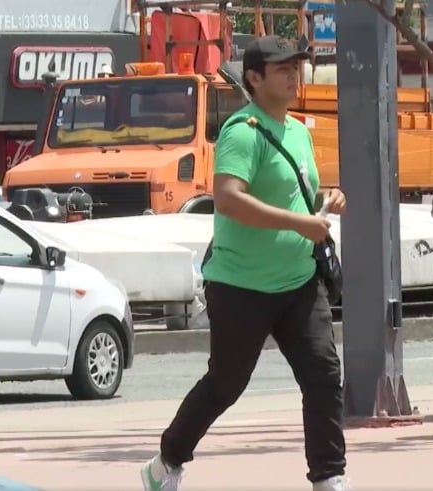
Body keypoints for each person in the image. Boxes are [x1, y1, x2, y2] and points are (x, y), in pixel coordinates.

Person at [140, 36, 349, 491]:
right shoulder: (242, 130)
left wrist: (325, 198)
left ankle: (329, 478)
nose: (294, 75)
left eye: (297, 67)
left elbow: (295, 193)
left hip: (298, 281)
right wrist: (299, 222)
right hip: (241, 286)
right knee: (226, 384)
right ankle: (166, 462)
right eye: (283, 69)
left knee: (324, 375)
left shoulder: (296, 130)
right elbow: (230, 200)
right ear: (254, 78)